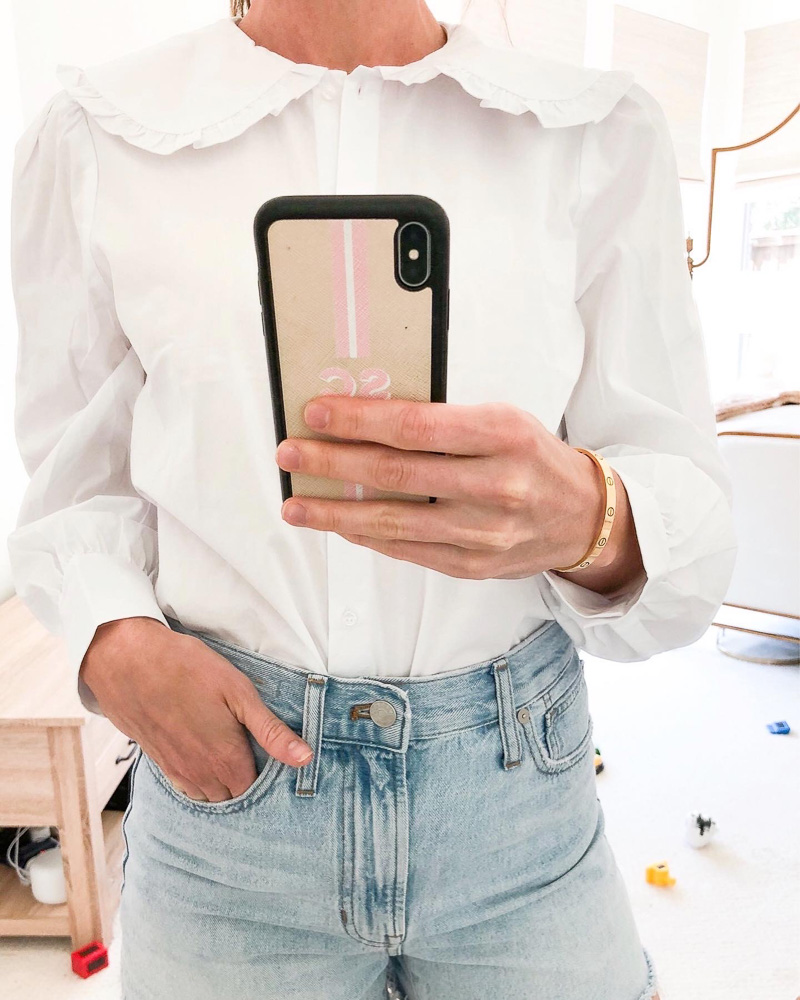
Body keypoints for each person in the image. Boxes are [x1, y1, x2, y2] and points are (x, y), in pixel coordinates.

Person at [8, 1, 736, 997]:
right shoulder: (100, 135)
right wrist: (112, 636)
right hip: (229, 795)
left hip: (517, 793)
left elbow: (686, 509)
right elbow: (69, 477)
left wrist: (588, 515)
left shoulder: (593, 133)